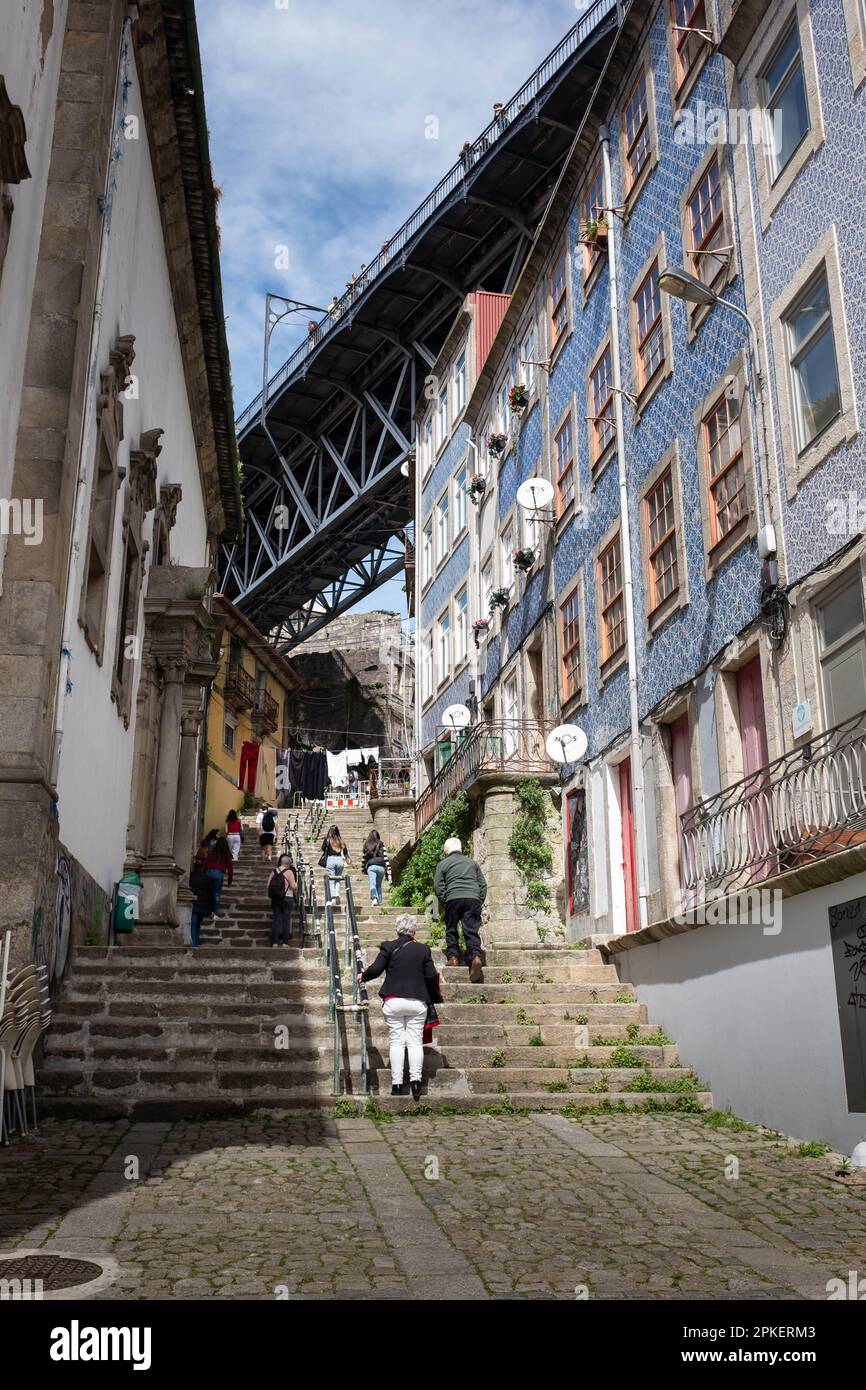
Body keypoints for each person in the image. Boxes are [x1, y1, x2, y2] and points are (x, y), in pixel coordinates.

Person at [359, 914, 439, 1100]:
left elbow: (376, 969)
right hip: (417, 1002)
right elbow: (431, 975)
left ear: (397, 929)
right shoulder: (423, 949)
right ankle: (416, 1084)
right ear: (414, 931)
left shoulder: (388, 946)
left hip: (393, 1001)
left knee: (396, 1042)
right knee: (414, 1042)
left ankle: (396, 1085)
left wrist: (363, 977)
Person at [433, 836, 487, 983]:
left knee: (451, 928)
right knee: (471, 929)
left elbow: (438, 886)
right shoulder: (472, 863)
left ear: (446, 851)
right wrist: (479, 899)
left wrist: (445, 899)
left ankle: (453, 957)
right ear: (460, 849)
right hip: (472, 898)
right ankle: (475, 956)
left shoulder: (443, 864)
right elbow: (482, 884)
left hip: (453, 898)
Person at [268, 853, 297, 947]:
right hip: (288, 897)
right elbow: (293, 886)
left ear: (280, 862)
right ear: (289, 864)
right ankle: (285, 942)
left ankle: (275, 942)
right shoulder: (289, 872)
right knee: (286, 920)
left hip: (276, 898)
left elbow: (268, 886)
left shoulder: (273, 872)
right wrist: (296, 885)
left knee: (276, 919)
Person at [189, 850, 216, 947]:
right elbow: (211, 895)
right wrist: (212, 909)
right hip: (204, 905)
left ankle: (193, 944)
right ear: (204, 867)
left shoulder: (190, 877)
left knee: (193, 924)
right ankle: (196, 942)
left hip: (194, 903)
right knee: (197, 925)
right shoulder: (208, 879)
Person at [204, 833, 233, 918]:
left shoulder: (213, 852)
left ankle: (208, 911)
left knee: (208, 892)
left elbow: (206, 862)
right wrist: (229, 880)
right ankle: (215, 911)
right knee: (216, 893)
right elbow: (230, 868)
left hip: (209, 872)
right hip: (218, 873)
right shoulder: (226, 854)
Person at [321, 823, 348, 901]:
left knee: (331, 880)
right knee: (338, 879)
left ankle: (333, 898)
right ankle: (337, 893)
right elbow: (345, 851)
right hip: (340, 860)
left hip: (331, 860)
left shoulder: (328, 840)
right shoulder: (341, 841)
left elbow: (323, 848)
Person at [361, 829, 387, 906]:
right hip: (381, 867)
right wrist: (388, 868)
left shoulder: (367, 844)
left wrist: (363, 868)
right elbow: (385, 857)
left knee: (373, 884)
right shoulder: (381, 844)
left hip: (371, 866)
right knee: (379, 885)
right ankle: (380, 900)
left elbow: (364, 858)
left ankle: (374, 898)